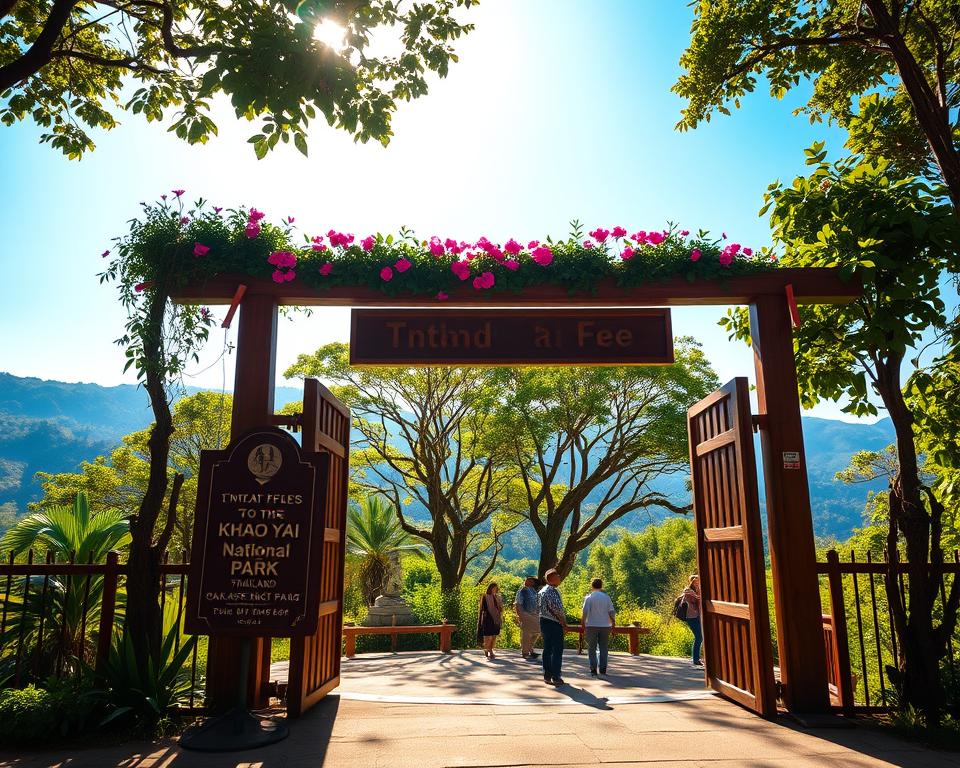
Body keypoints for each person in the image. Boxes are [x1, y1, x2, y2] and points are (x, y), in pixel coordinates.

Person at [538, 568, 567, 685]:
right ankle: (556, 676)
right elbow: (557, 609)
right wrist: (564, 623)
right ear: (552, 579)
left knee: (547, 649)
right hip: (554, 622)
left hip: (543, 621)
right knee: (557, 650)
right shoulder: (552, 591)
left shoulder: (542, 591)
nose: (560, 578)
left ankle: (547, 674)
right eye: (558, 576)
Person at [581, 578, 615, 677]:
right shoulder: (606, 597)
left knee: (591, 648)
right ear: (601, 586)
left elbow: (585, 612)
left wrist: (583, 623)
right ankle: (603, 669)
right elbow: (611, 612)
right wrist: (613, 623)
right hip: (605, 625)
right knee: (603, 647)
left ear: (592, 586)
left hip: (591, 625)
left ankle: (593, 669)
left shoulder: (589, 597)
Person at [513, 576, 541, 660]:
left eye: (532, 581)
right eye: (529, 580)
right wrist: (521, 615)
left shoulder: (533, 590)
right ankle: (525, 652)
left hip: (535, 614)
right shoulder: (522, 591)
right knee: (526, 634)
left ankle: (530, 648)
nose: (531, 582)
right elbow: (518, 603)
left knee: (537, 631)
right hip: (526, 614)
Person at [477, 582, 504, 659]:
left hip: (496, 618)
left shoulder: (498, 597)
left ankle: (490, 648)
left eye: (496, 588)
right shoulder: (485, 596)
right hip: (488, 617)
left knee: (494, 635)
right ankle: (488, 650)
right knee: (488, 635)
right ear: (490, 588)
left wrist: (500, 609)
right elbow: (483, 608)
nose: (495, 589)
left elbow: (501, 608)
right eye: (494, 588)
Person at [682, 574, 703, 667]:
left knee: (700, 637)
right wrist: (699, 590)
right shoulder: (688, 590)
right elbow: (698, 598)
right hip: (691, 617)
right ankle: (695, 659)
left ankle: (697, 658)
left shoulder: (696, 590)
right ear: (692, 581)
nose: (698, 582)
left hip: (697, 616)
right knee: (699, 637)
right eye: (696, 581)